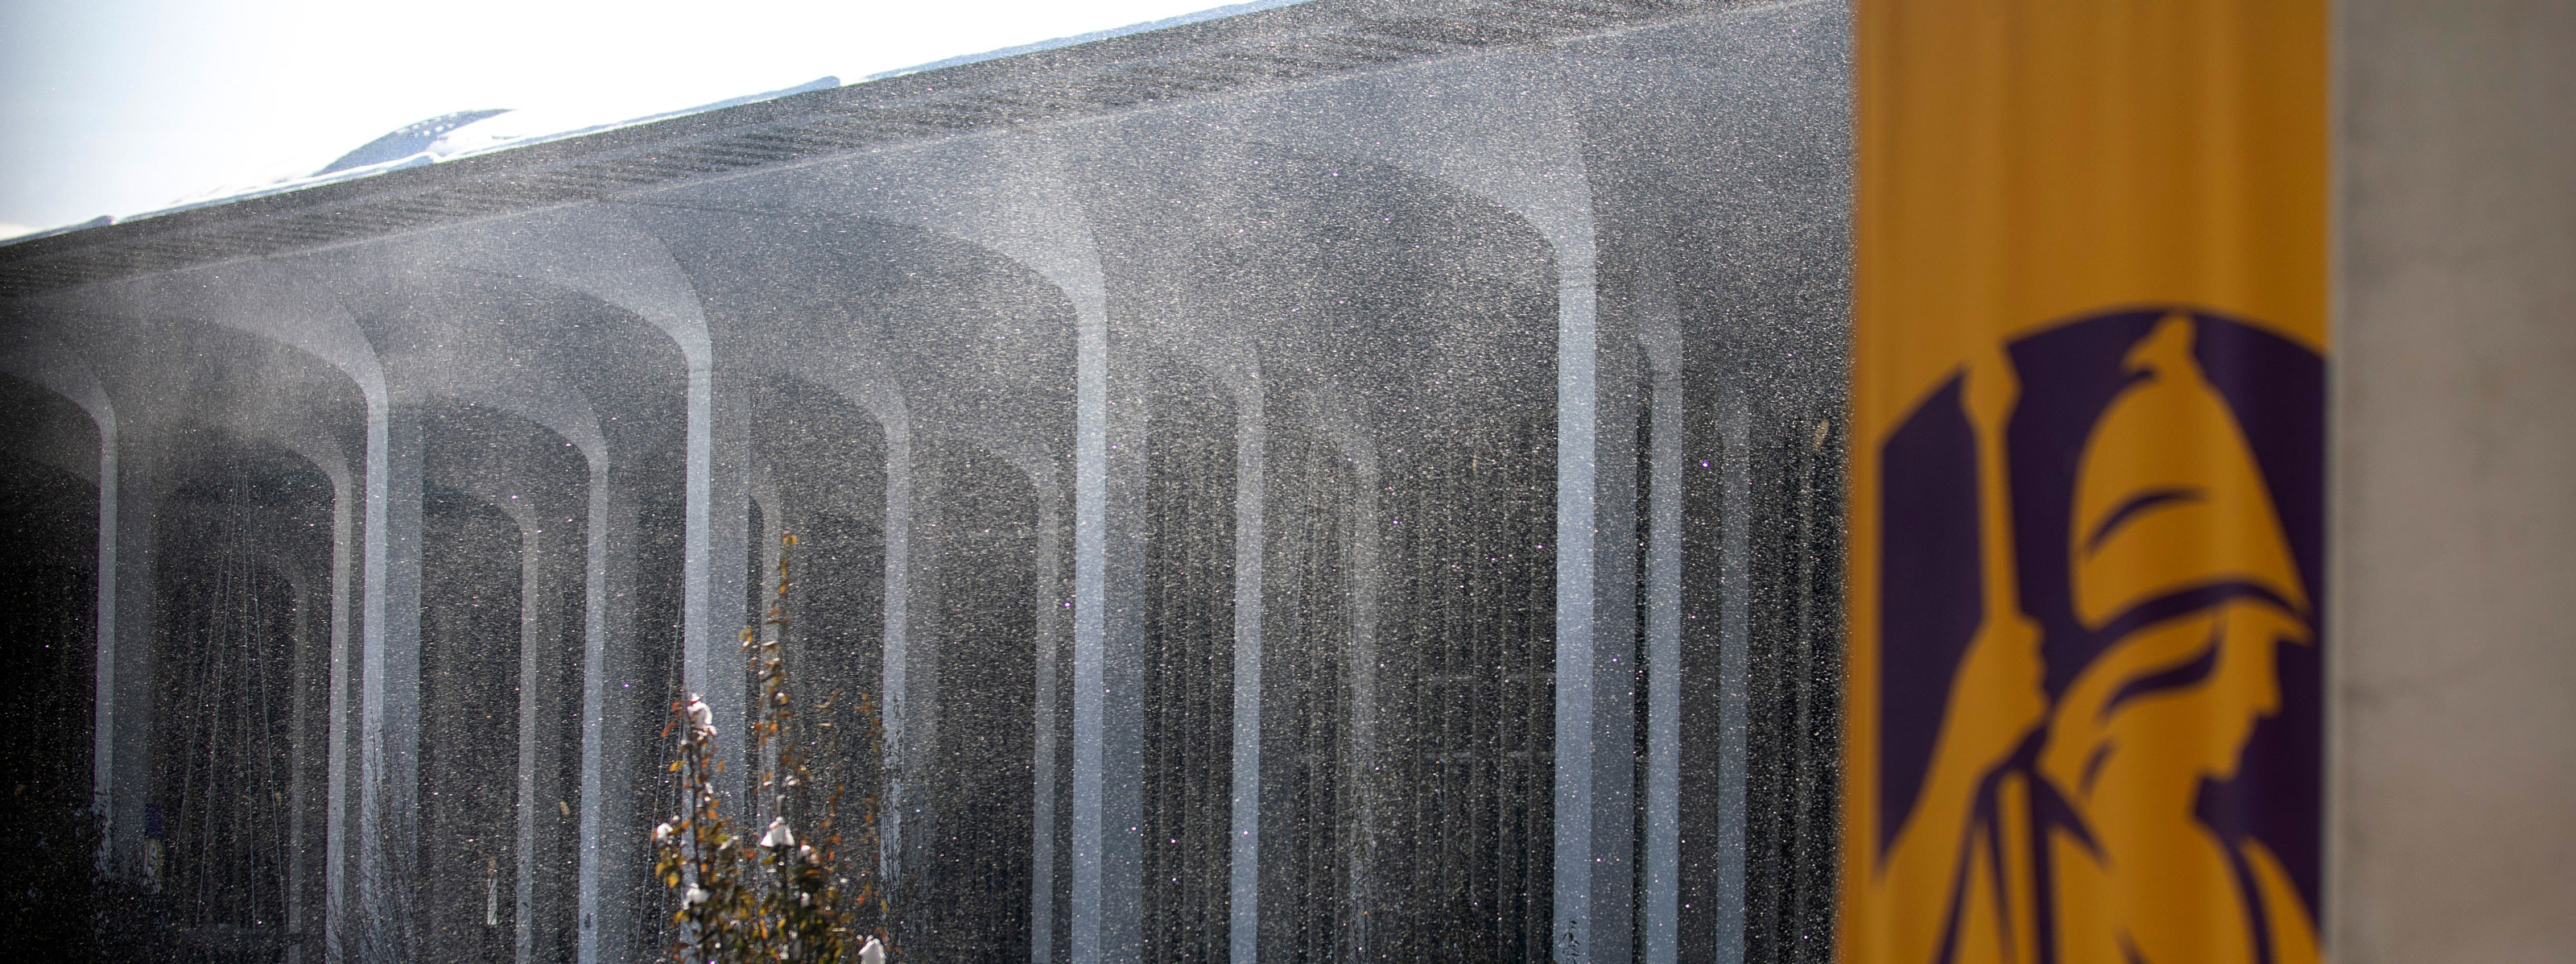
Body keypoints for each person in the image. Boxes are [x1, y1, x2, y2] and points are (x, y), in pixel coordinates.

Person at [1869, 315, 2319, 964]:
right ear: (2181, 647)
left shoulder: (2255, 890)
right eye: (2254, 651)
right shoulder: (2013, 844)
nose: (2267, 697)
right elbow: (1897, 931)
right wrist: (1960, 762)